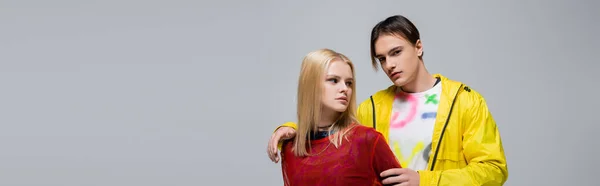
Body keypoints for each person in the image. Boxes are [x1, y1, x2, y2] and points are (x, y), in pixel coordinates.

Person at [267, 15, 508, 186]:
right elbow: (330, 137)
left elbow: (494, 171)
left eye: (396, 52)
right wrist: (293, 129)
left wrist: (425, 181)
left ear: (419, 47)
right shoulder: (372, 107)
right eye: (381, 59)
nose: (389, 65)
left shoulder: (465, 101)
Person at [279, 48, 402, 186]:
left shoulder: (366, 139)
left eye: (349, 83)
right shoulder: (289, 147)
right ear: (311, 85)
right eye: (333, 80)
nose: (345, 89)